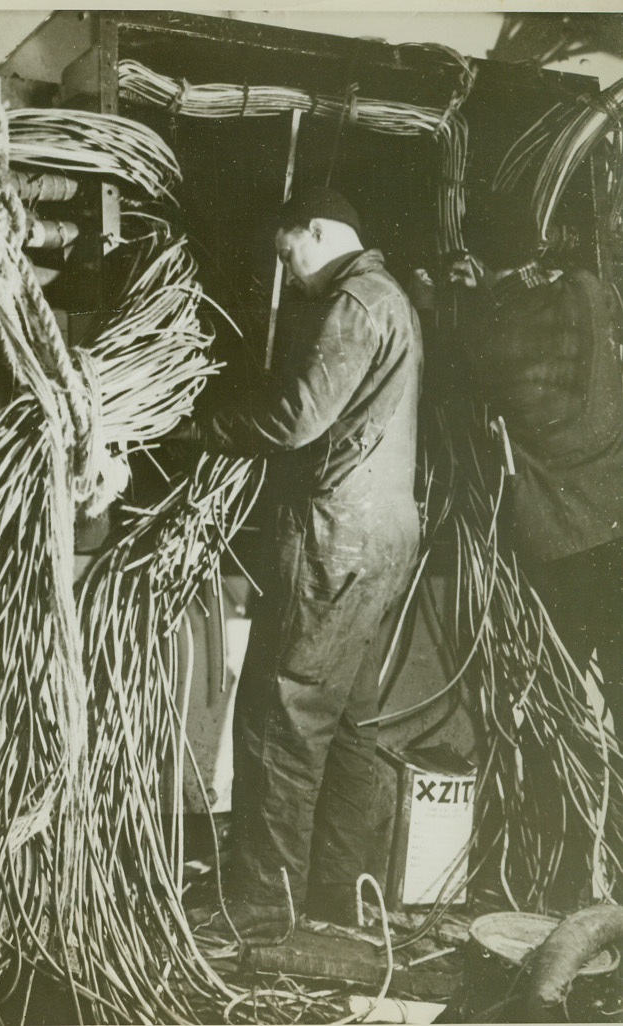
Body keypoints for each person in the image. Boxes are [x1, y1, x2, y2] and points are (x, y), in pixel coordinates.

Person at [187, 186, 423, 942]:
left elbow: (296, 419)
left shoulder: (355, 301)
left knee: (283, 716)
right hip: (383, 536)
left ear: (316, 232)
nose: (286, 273)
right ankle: (333, 897)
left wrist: (209, 423)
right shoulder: (393, 297)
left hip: (336, 539)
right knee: (347, 721)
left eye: (288, 253)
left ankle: (261, 906)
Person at [444, 199, 622, 737]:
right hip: (617, 525)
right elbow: (580, 282)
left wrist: (456, 295)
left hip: (559, 542)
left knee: (557, 697)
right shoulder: (587, 293)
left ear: (473, 265)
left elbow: (471, 376)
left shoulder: (482, 334)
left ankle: (564, 817)